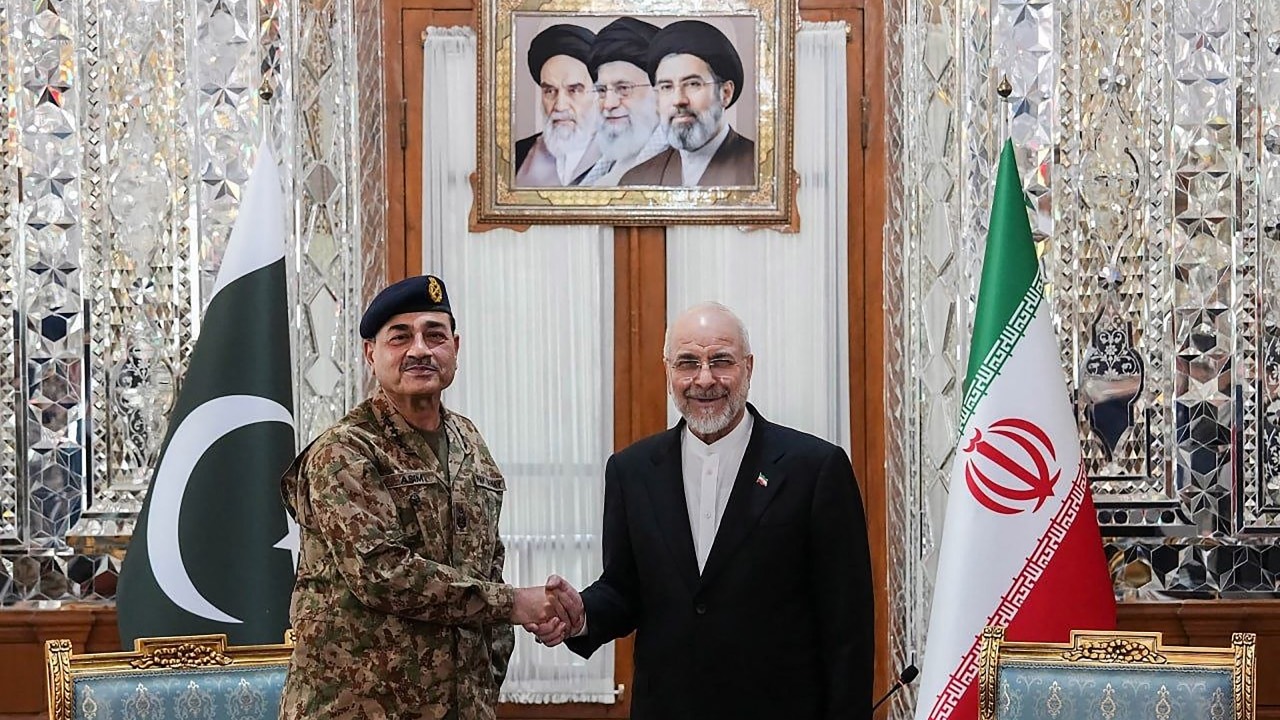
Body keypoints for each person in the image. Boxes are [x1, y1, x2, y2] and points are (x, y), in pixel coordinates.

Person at [530, 302, 875, 720]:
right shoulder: (631, 470)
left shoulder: (815, 468)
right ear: (668, 372)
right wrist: (581, 614)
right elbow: (624, 589)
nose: (704, 379)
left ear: (748, 368)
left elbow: (848, 629)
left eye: (721, 361)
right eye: (688, 363)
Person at [279, 274, 570, 719]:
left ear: (455, 347)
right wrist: (514, 603)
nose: (419, 349)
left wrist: (485, 681)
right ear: (370, 353)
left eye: (434, 335)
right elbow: (383, 574)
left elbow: (489, 561)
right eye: (400, 337)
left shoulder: (469, 441)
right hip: (359, 709)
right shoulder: (345, 450)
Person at [618, 21, 757, 187]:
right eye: (667, 87)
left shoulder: (764, 170)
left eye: (693, 84)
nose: (678, 100)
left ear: (725, 93)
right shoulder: (636, 181)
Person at [579, 17, 669, 186]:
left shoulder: (682, 163)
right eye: (602, 91)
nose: (608, 104)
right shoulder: (608, 162)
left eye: (623, 88)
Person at [514, 24, 601, 186]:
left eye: (574, 90)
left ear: (597, 93)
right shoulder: (516, 154)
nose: (560, 106)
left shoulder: (621, 159)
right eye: (550, 91)